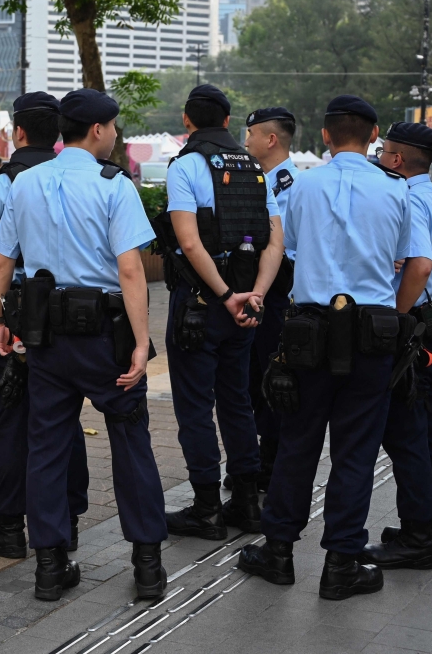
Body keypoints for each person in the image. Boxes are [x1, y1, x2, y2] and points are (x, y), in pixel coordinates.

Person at [0, 88, 168, 602]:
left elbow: (3, 261)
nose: (114, 135)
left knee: (46, 447)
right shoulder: (116, 185)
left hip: (45, 338)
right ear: (97, 130)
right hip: (105, 338)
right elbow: (130, 269)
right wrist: (141, 343)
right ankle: (148, 567)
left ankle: (50, 567)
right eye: (113, 127)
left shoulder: (24, 182)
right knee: (131, 441)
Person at [239, 96, 412, 600]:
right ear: (375, 133)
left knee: (298, 444)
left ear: (326, 135)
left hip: (307, 332)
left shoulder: (300, 188)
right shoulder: (396, 191)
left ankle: (277, 553)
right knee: (356, 452)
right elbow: (410, 262)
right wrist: (393, 319)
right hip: (372, 335)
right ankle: (341, 564)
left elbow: (285, 247)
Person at [0, 92, 90, 558]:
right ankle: (66, 523)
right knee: (63, 420)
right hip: (67, 319)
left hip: (10, 320)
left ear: (17, 132)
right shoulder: (79, 178)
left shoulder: (4, 184)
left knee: (11, 421)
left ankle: (10, 528)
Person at [156, 85, 284, 542]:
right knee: (237, 401)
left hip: (201, 305)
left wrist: (225, 293)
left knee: (195, 406)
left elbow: (189, 243)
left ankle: (207, 508)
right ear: (228, 122)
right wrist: (255, 296)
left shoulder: (186, 166)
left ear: (187, 121)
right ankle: (248, 503)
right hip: (247, 306)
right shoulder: (254, 168)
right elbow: (274, 241)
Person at [357, 122, 432, 570]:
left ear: (397, 159)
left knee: (406, 432)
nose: (380, 157)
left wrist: (402, 317)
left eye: (384, 151)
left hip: (415, 331)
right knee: (429, 428)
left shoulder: (406, 198)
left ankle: (417, 536)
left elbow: (419, 268)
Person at [238, 106, 301, 491]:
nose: (246, 142)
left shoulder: (292, 186)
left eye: (251, 135)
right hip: (260, 294)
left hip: (281, 297)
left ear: (271, 139)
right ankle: (262, 456)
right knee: (253, 377)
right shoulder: (260, 181)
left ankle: (274, 460)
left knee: (274, 377)